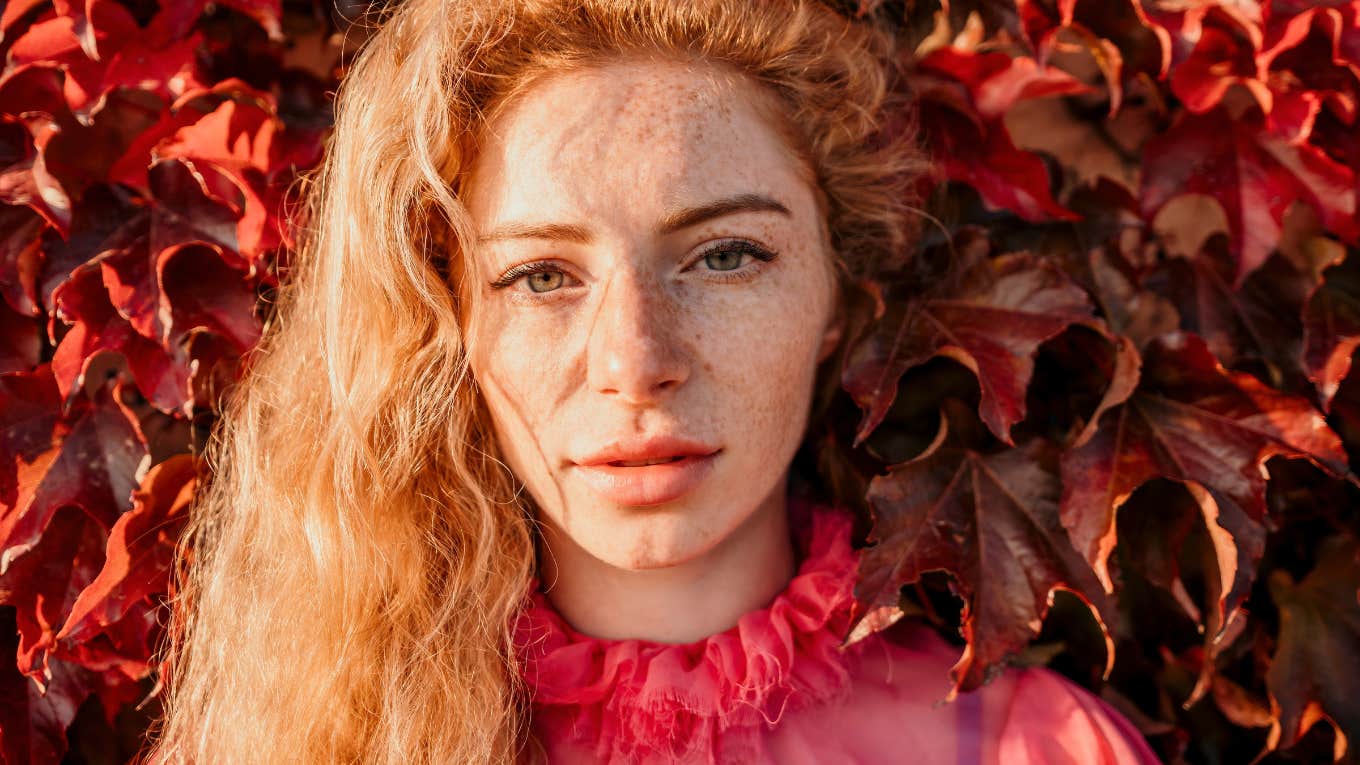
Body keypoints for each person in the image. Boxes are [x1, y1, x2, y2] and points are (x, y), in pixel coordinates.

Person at [143, 0, 1165, 763]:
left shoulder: (1035, 752)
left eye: (724, 255)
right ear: (443, 324)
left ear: (837, 303)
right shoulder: (310, 734)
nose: (636, 362)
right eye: (541, 275)